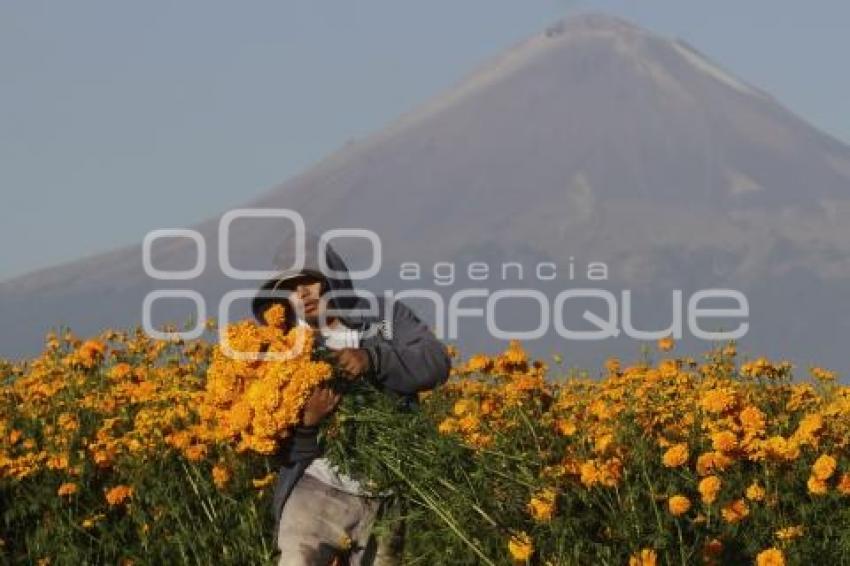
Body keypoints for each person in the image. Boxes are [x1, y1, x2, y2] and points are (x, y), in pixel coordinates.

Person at [251, 231, 451, 566]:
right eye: (290, 286)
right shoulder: (279, 349)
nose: (301, 292)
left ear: (331, 279)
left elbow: (435, 362)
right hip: (315, 489)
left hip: (384, 498)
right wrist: (307, 425)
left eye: (309, 279)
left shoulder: (383, 317)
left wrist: (373, 359)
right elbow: (269, 442)